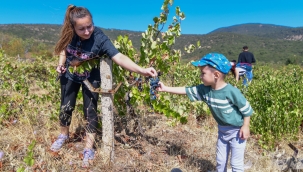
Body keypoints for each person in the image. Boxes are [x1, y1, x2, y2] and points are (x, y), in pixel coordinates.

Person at [51, 5, 157, 167]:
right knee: (66, 106)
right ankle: (63, 136)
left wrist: (142, 70)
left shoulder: (99, 39)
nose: (87, 31)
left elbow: (119, 57)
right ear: (73, 27)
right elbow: (63, 50)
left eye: (90, 26)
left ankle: (88, 148)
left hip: (90, 76)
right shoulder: (68, 34)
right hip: (70, 75)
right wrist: (61, 64)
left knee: (90, 111)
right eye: (82, 29)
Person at [157, 53, 253, 172]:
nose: (200, 76)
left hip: (237, 132)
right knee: (221, 160)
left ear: (216, 75)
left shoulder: (231, 92)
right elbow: (186, 90)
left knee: (236, 163)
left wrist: (246, 126)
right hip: (222, 132)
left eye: (203, 73)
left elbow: (246, 109)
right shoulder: (205, 90)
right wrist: (165, 88)